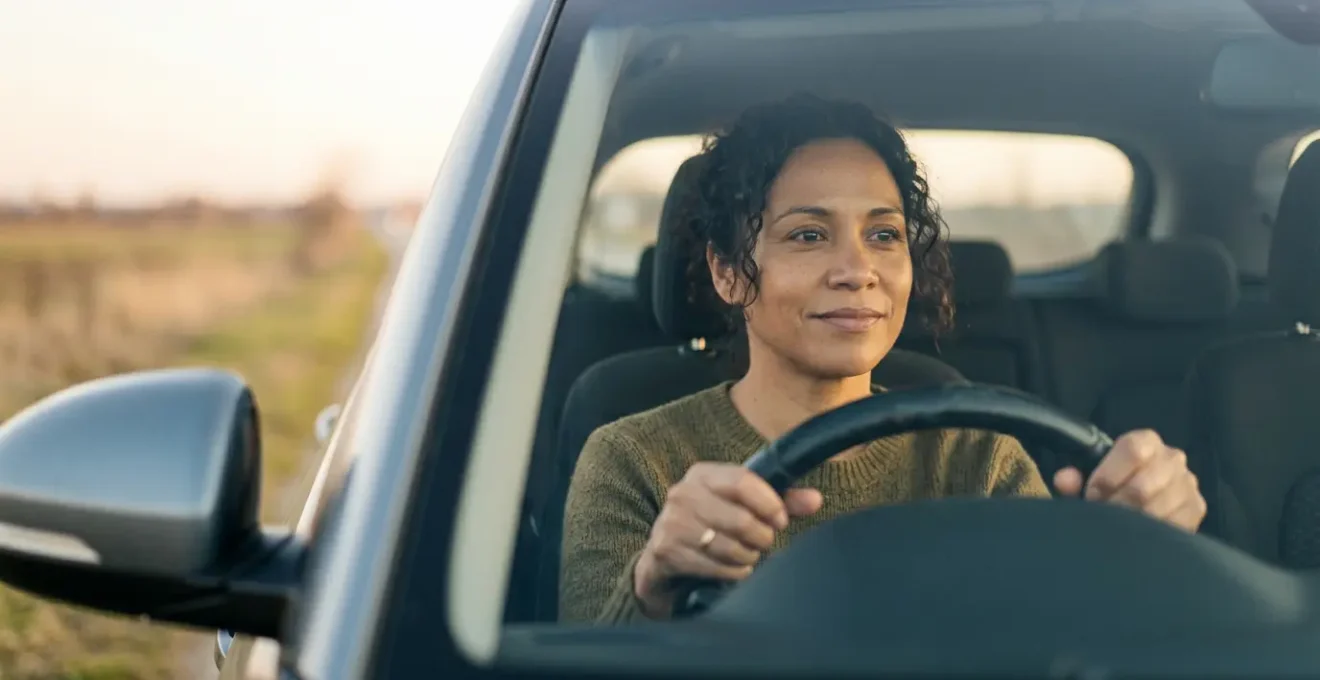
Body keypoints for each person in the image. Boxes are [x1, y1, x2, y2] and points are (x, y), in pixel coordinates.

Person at [558, 93, 1206, 624]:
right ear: (727, 273)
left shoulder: (978, 457)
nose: (858, 269)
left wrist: (1143, 552)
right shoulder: (633, 456)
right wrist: (655, 584)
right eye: (809, 234)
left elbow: (1056, 638)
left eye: (884, 234)